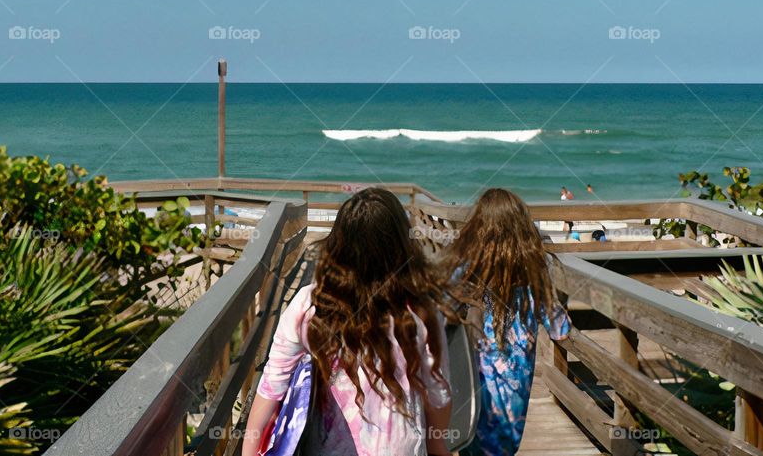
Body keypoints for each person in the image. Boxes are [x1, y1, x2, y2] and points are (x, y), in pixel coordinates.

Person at [242, 188, 452, 456]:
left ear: (338, 243)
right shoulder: (420, 311)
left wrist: (248, 452)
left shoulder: (310, 304)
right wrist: (437, 444)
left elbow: (272, 386)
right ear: (402, 245)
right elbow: (438, 394)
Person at [443, 188, 572, 456]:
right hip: (515, 388)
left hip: (470, 382)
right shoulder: (536, 270)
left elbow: (441, 307)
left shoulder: (467, 267)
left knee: (471, 446)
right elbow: (560, 329)